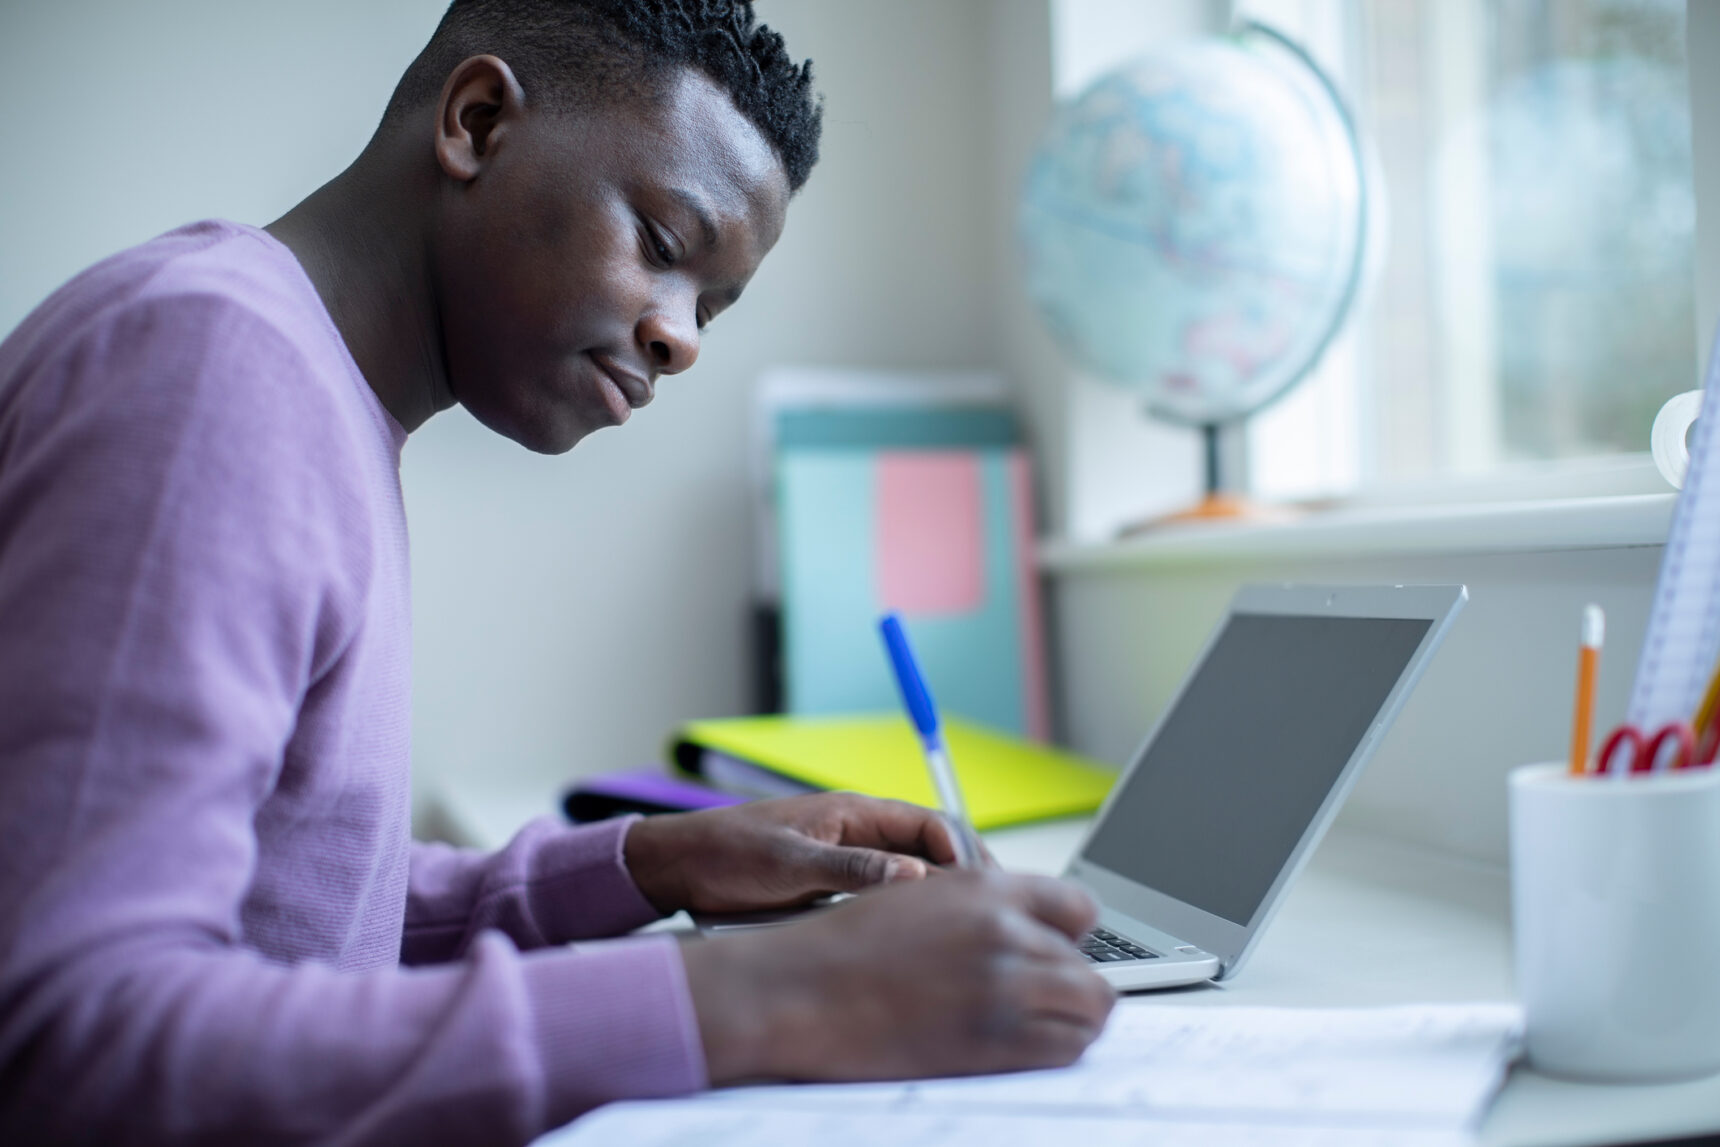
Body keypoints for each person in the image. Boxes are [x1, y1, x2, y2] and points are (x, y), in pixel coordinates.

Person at [0, 1, 1115, 1143]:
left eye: (710, 310)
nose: (681, 339)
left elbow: (302, 905)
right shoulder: (213, 376)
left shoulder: (305, 388)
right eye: (666, 246)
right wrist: (775, 992)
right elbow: (70, 1034)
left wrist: (654, 859)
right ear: (477, 122)